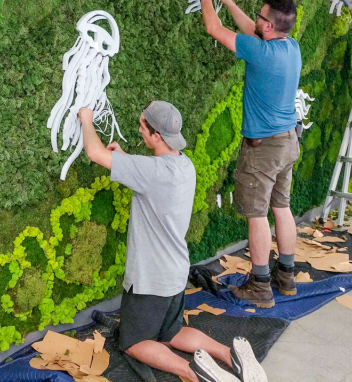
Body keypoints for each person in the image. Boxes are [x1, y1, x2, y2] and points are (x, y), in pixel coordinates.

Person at [78, 101, 268, 382]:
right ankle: (230, 355)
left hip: (150, 280)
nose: (139, 128)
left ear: (156, 136)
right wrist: (126, 159)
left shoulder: (150, 171)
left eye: (143, 125)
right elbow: (150, 178)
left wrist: (86, 119)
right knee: (171, 333)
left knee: (132, 342)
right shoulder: (184, 165)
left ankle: (194, 373)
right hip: (175, 273)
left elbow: (94, 153)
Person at [191, 0, 301, 310]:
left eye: (260, 16)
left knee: (256, 215)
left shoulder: (260, 52)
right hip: (288, 143)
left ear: (269, 25)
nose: (256, 19)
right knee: (282, 208)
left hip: (263, 149)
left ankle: (261, 286)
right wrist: (230, 0)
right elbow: (252, 31)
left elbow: (214, 27)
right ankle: (287, 276)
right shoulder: (289, 46)